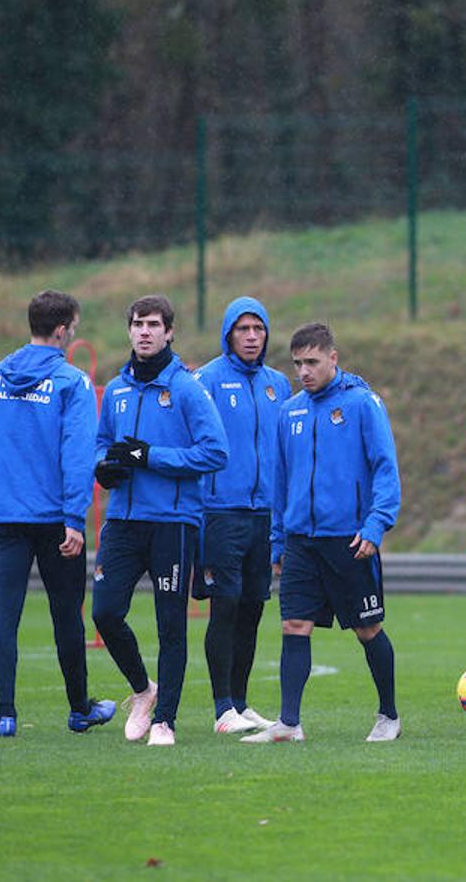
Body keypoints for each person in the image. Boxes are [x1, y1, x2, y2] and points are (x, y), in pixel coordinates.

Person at [243, 322, 402, 743]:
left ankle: (389, 716)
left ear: (333, 358)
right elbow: (281, 482)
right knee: (294, 624)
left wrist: (376, 524)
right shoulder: (290, 410)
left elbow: (385, 468)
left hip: (350, 541)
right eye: (297, 364)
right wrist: (278, 538)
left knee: (367, 629)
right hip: (300, 542)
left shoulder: (363, 404)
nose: (304, 372)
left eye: (312, 362)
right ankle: (289, 724)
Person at [0, 290, 116, 737]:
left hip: (4, 515)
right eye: (75, 326)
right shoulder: (71, 383)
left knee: (4, 612)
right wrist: (75, 517)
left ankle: (6, 714)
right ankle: (78, 709)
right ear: (62, 330)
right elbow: (77, 455)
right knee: (67, 614)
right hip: (54, 519)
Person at [92, 294, 229, 746]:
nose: (145, 331)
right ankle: (143, 691)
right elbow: (102, 445)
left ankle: (164, 721)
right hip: (124, 521)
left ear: (170, 331)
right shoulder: (116, 390)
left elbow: (215, 452)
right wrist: (104, 466)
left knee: (172, 624)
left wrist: (151, 457)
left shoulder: (188, 387)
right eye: (137, 324)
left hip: (173, 522)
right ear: (129, 330)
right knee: (105, 612)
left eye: (153, 324)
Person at [192, 297, 292, 734]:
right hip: (220, 512)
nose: (251, 337)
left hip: (264, 515)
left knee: (252, 608)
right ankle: (221, 708)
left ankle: (242, 702)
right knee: (225, 607)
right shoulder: (206, 380)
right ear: (228, 334)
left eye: (258, 329)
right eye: (243, 329)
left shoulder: (279, 385)